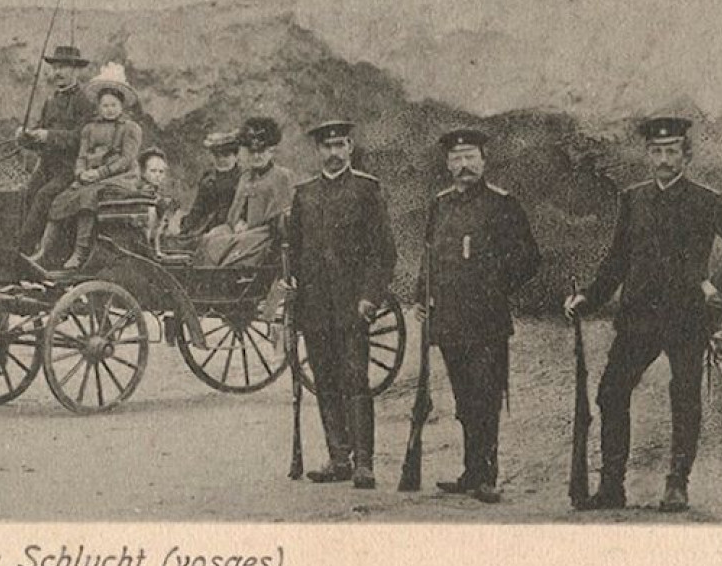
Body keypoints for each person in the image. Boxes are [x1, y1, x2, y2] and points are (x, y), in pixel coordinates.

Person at [564, 116, 722, 513]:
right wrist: (588, 299)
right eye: (656, 151)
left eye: (671, 151)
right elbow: (617, 260)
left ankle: (677, 485)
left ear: (686, 156)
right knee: (611, 392)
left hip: (686, 318)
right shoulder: (633, 199)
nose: (663, 159)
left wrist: (716, 285)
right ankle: (612, 487)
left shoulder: (707, 201)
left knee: (684, 397)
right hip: (638, 317)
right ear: (648, 155)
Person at [417, 128, 540, 504]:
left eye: (470, 157)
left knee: (486, 396)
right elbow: (429, 256)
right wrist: (423, 294)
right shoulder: (440, 205)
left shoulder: (502, 204)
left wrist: (496, 287)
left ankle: (487, 474)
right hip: (450, 319)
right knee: (464, 400)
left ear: (484, 161)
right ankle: (470, 471)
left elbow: (529, 258)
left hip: (487, 320)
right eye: (456, 158)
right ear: (447, 164)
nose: (464, 165)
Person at [287, 120, 397, 490]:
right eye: (326, 147)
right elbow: (294, 253)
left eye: (339, 145)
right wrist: (291, 294)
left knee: (355, 381)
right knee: (326, 382)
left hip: (353, 306)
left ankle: (363, 463)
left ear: (350, 146)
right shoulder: (304, 195)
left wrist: (370, 297)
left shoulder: (367, 190)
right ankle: (339, 458)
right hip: (315, 307)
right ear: (317, 151)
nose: (333, 153)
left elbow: (383, 253)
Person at [36, 66, 144, 270]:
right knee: (59, 200)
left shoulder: (130, 129)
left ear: (121, 106)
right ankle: (44, 251)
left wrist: (100, 173)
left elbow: (126, 160)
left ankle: (80, 252)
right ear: (99, 107)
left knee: (88, 197)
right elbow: (82, 156)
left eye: (113, 105)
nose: (109, 109)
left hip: (120, 179)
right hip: (91, 178)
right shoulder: (89, 128)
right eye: (105, 105)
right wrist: (81, 173)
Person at [19, 46, 96, 262]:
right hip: (46, 166)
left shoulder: (85, 103)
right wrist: (26, 137)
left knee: (44, 196)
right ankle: (28, 244)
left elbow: (81, 138)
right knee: (26, 193)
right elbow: (40, 138)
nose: (58, 72)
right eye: (55, 67)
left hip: (69, 169)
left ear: (76, 70)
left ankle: (25, 252)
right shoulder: (50, 102)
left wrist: (49, 135)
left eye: (63, 67)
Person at [195, 116, 295, 268]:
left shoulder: (282, 176)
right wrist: (237, 222)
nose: (256, 156)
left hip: (265, 234)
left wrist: (250, 226)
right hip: (238, 229)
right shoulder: (246, 177)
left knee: (232, 244)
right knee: (209, 238)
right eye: (252, 152)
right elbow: (236, 211)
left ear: (271, 151)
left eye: (261, 151)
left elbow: (283, 217)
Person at [180, 129, 242, 236]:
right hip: (206, 226)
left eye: (226, 155)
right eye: (217, 156)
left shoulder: (243, 178)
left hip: (233, 228)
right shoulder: (208, 179)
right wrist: (185, 227)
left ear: (235, 156)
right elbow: (198, 208)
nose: (221, 159)